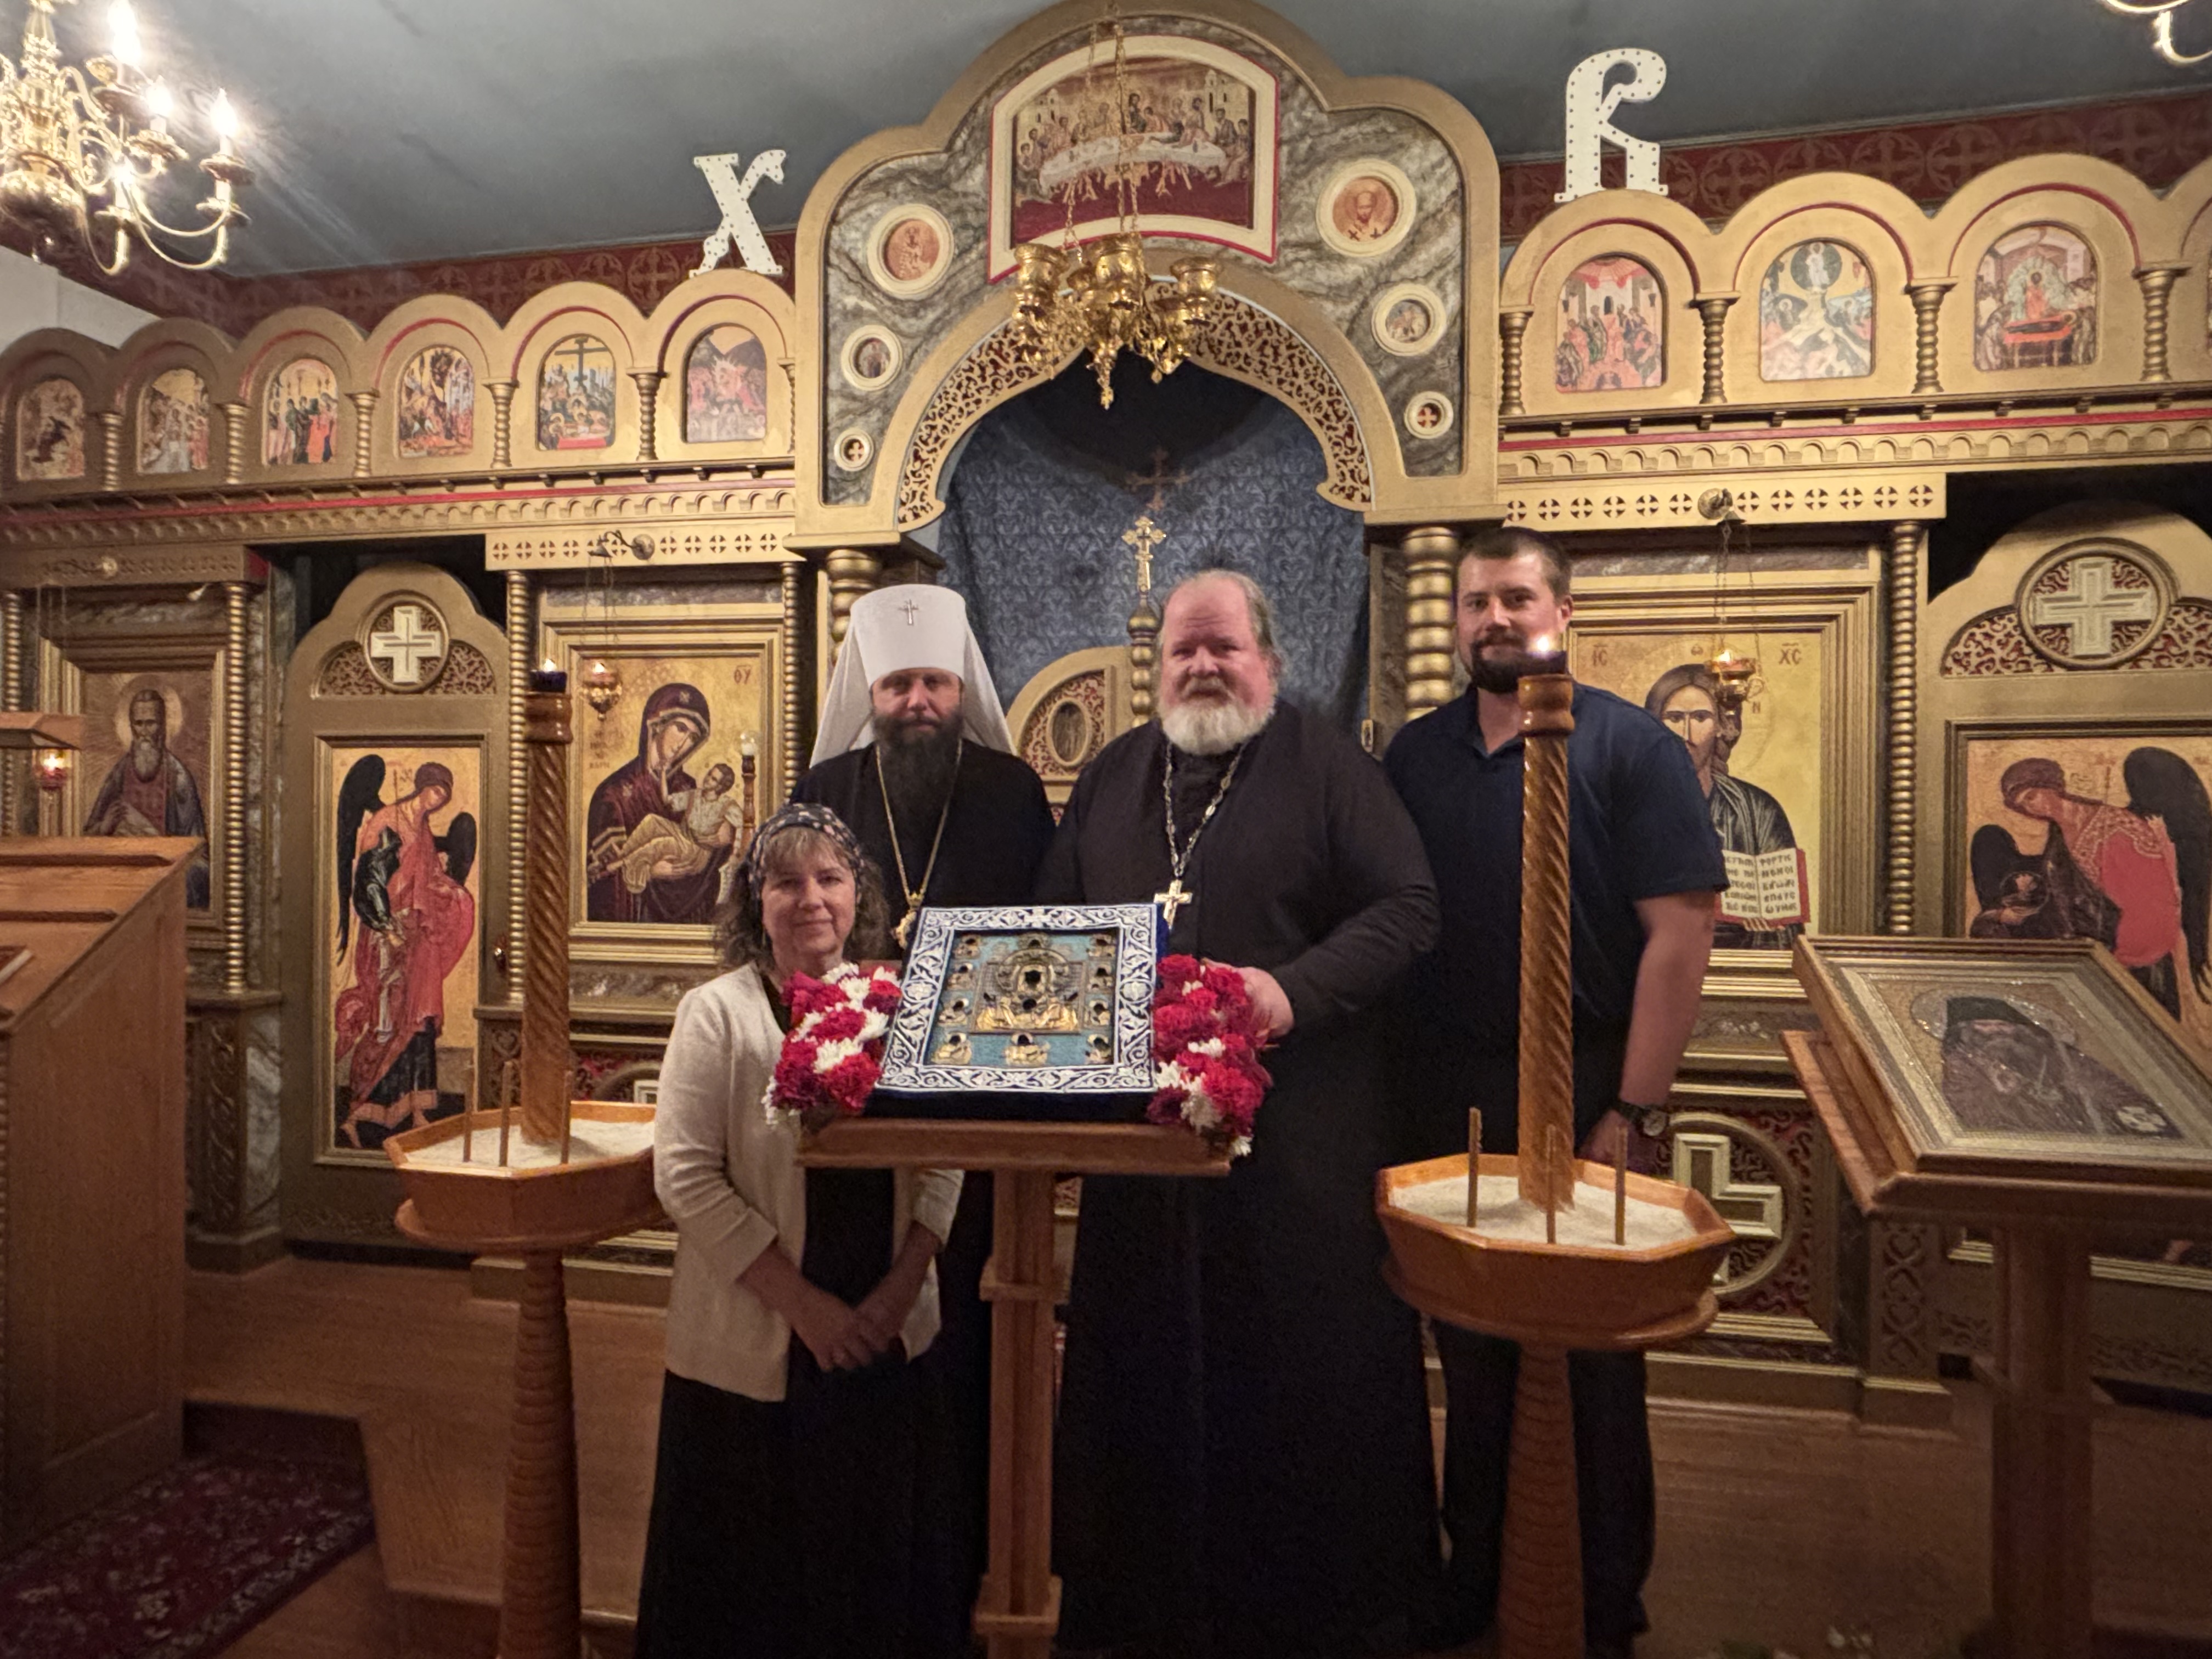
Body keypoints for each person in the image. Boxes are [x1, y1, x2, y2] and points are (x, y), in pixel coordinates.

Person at [1043, 568, 1443, 1658]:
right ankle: (1137, 1602)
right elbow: (1056, 928)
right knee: (1140, 1366)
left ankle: (1314, 1613)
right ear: (1157, 668)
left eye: (1224, 647)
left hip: (1297, 1149)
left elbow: (1408, 907)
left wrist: (1290, 990)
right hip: (1140, 1153)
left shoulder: (1329, 768)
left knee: (1299, 1374)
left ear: (1269, 659)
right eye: (1184, 650)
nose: (1203, 666)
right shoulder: (1116, 775)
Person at [1385, 526, 1724, 1657]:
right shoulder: (1417, 755)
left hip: (1588, 1083)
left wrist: (1633, 1108)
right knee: (1472, 1352)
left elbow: (1681, 933)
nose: (1493, 617)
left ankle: (1602, 1596)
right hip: (1449, 1086)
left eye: (1516, 597)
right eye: (1475, 600)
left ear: (1562, 613)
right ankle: (1476, 1573)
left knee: (1592, 1360)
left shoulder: (1630, 747)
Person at [636, 802, 967, 1659]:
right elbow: (685, 1175)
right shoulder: (716, 1013)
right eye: (787, 882)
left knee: (876, 1575)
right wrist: (808, 1310)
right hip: (761, 1340)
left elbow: (948, 1157)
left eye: (830, 878)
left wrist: (897, 1295)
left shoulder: (905, 1007)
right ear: (757, 900)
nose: (811, 898)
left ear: (860, 895)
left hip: (887, 1326)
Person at [791, 580, 1056, 1626]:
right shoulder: (826, 788)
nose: (916, 701)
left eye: (934, 682)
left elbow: (1048, 930)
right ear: (869, 687)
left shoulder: (1009, 789)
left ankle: (969, 1537)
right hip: (856, 1105)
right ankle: (849, 1541)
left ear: (959, 688)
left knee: (964, 1313)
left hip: (979, 1096)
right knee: (856, 1294)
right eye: (897, 681)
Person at [331, 759, 477, 1149]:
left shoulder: (423, 829)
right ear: (422, 787)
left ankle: (416, 1110)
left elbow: (428, 878)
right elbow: (370, 881)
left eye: (444, 796)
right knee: (385, 1024)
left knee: (420, 1022)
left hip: (417, 937)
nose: (438, 800)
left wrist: (446, 890)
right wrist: (386, 926)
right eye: (435, 791)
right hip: (388, 935)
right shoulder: (390, 821)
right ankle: (357, 1114)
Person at [1643, 662, 1802, 949]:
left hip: (1742, 968)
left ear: (1721, 726)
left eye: (1700, 717)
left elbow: (1786, 929)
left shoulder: (1758, 811)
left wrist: (1764, 926)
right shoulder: (1632, 805)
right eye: (1675, 718)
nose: (1686, 734)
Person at [585, 682, 724, 924]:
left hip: (685, 925)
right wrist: (649, 872)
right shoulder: (614, 794)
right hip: (635, 925)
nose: (684, 743)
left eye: (693, 737)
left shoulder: (689, 789)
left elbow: (705, 863)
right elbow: (601, 879)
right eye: (680, 728)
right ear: (657, 725)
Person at [84, 686, 211, 907]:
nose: (144, 732)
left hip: (162, 874)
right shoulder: (119, 774)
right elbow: (86, 839)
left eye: (151, 723)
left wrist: (155, 839)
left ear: (162, 726)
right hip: (122, 874)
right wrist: (103, 828)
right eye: (138, 724)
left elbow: (198, 854)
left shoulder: (178, 778)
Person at [587, 760, 744, 896]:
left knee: (661, 843)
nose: (708, 779)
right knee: (652, 821)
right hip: (683, 834)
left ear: (720, 787)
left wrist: (734, 847)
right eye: (710, 774)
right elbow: (667, 800)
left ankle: (620, 865)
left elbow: (744, 823)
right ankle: (624, 853)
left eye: (714, 779)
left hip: (696, 851)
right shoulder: (694, 795)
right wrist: (663, 774)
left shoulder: (726, 805)